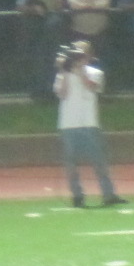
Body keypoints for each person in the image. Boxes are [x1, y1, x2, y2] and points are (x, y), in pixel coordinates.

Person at [54, 40, 126, 209]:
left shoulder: (95, 72)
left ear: (89, 56)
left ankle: (108, 194)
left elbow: (92, 87)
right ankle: (77, 196)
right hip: (68, 124)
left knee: (99, 161)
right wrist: (64, 71)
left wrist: (81, 71)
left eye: (83, 54)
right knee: (71, 163)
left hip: (89, 122)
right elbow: (62, 94)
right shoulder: (63, 75)